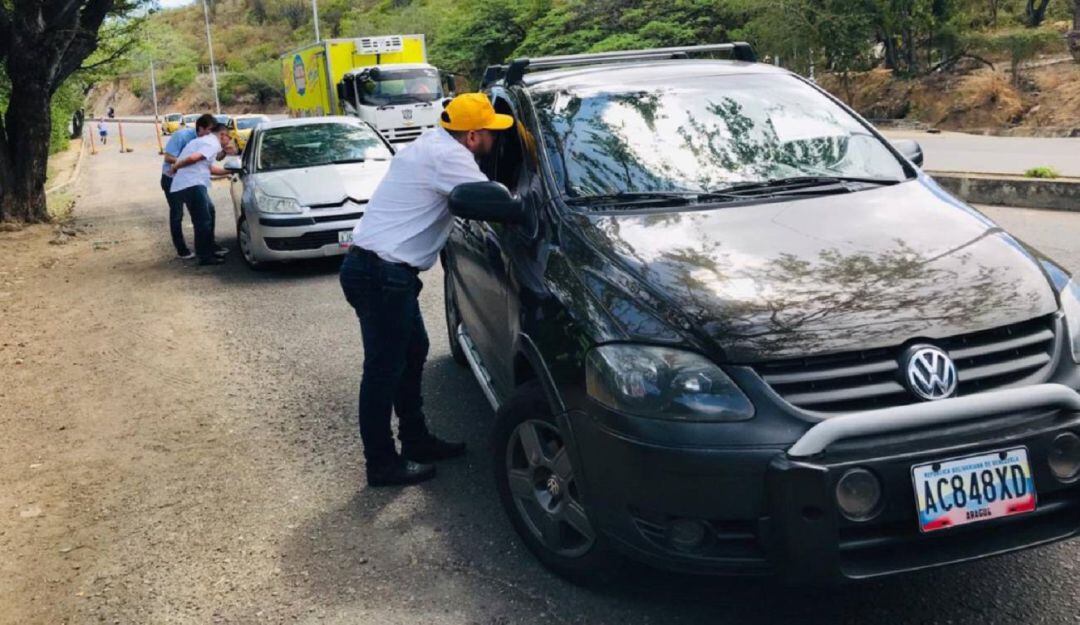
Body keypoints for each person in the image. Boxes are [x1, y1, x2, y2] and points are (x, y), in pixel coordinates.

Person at [340, 93, 513, 487]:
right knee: (383, 371)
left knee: (412, 352)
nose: (496, 139)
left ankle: (415, 439)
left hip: (379, 270)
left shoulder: (432, 142)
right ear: (472, 136)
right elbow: (493, 202)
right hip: (382, 274)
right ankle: (381, 464)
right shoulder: (450, 157)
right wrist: (522, 208)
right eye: (491, 132)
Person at [169, 123, 233, 266]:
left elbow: (209, 168)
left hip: (192, 183)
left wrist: (230, 171)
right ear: (222, 135)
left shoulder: (206, 141)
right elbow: (193, 158)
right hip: (191, 184)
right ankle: (205, 256)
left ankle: (209, 248)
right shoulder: (212, 143)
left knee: (209, 211)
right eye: (229, 137)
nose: (229, 140)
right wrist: (176, 166)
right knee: (203, 220)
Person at [161, 113, 217, 259]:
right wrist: (186, 162)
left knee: (208, 210)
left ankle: (210, 245)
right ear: (200, 128)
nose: (211, 134)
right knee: (177, 214)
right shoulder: (182, 136)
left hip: (193, 180)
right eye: (209, 130)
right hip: (172, 179)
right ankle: (182, 249)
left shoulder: (207, 141)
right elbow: (168, 157)